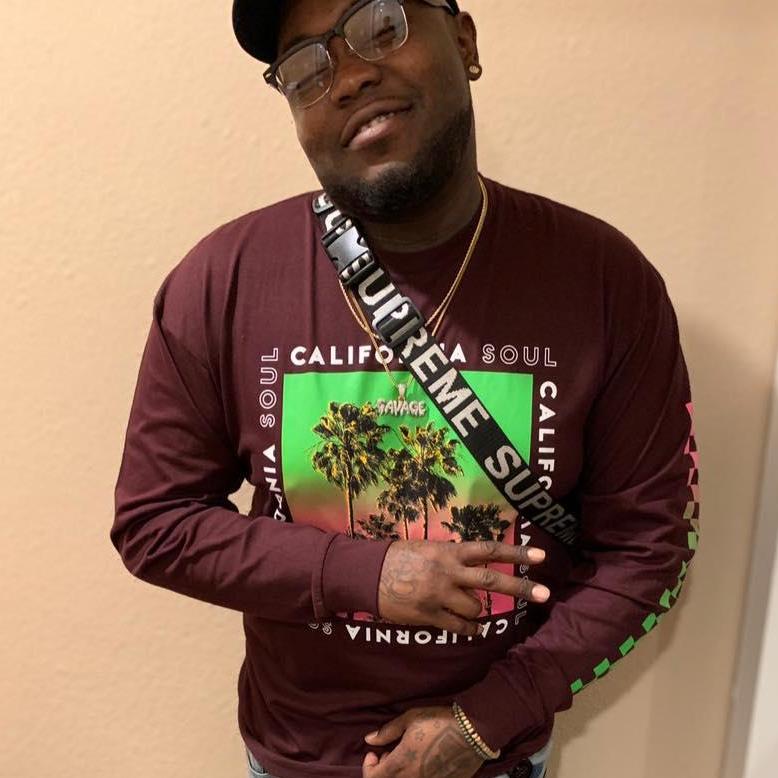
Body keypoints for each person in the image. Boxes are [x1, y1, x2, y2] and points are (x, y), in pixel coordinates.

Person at [110, 1, 701, 777]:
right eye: (306, 67)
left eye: (380, 24)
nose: (349, 77)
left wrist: (488, 720)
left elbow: (649, 548)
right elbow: (154, 524)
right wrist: (368, 573)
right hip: (288, 757)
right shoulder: (225, 279)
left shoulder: (604, 282)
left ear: (463, 40)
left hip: (498, 756)